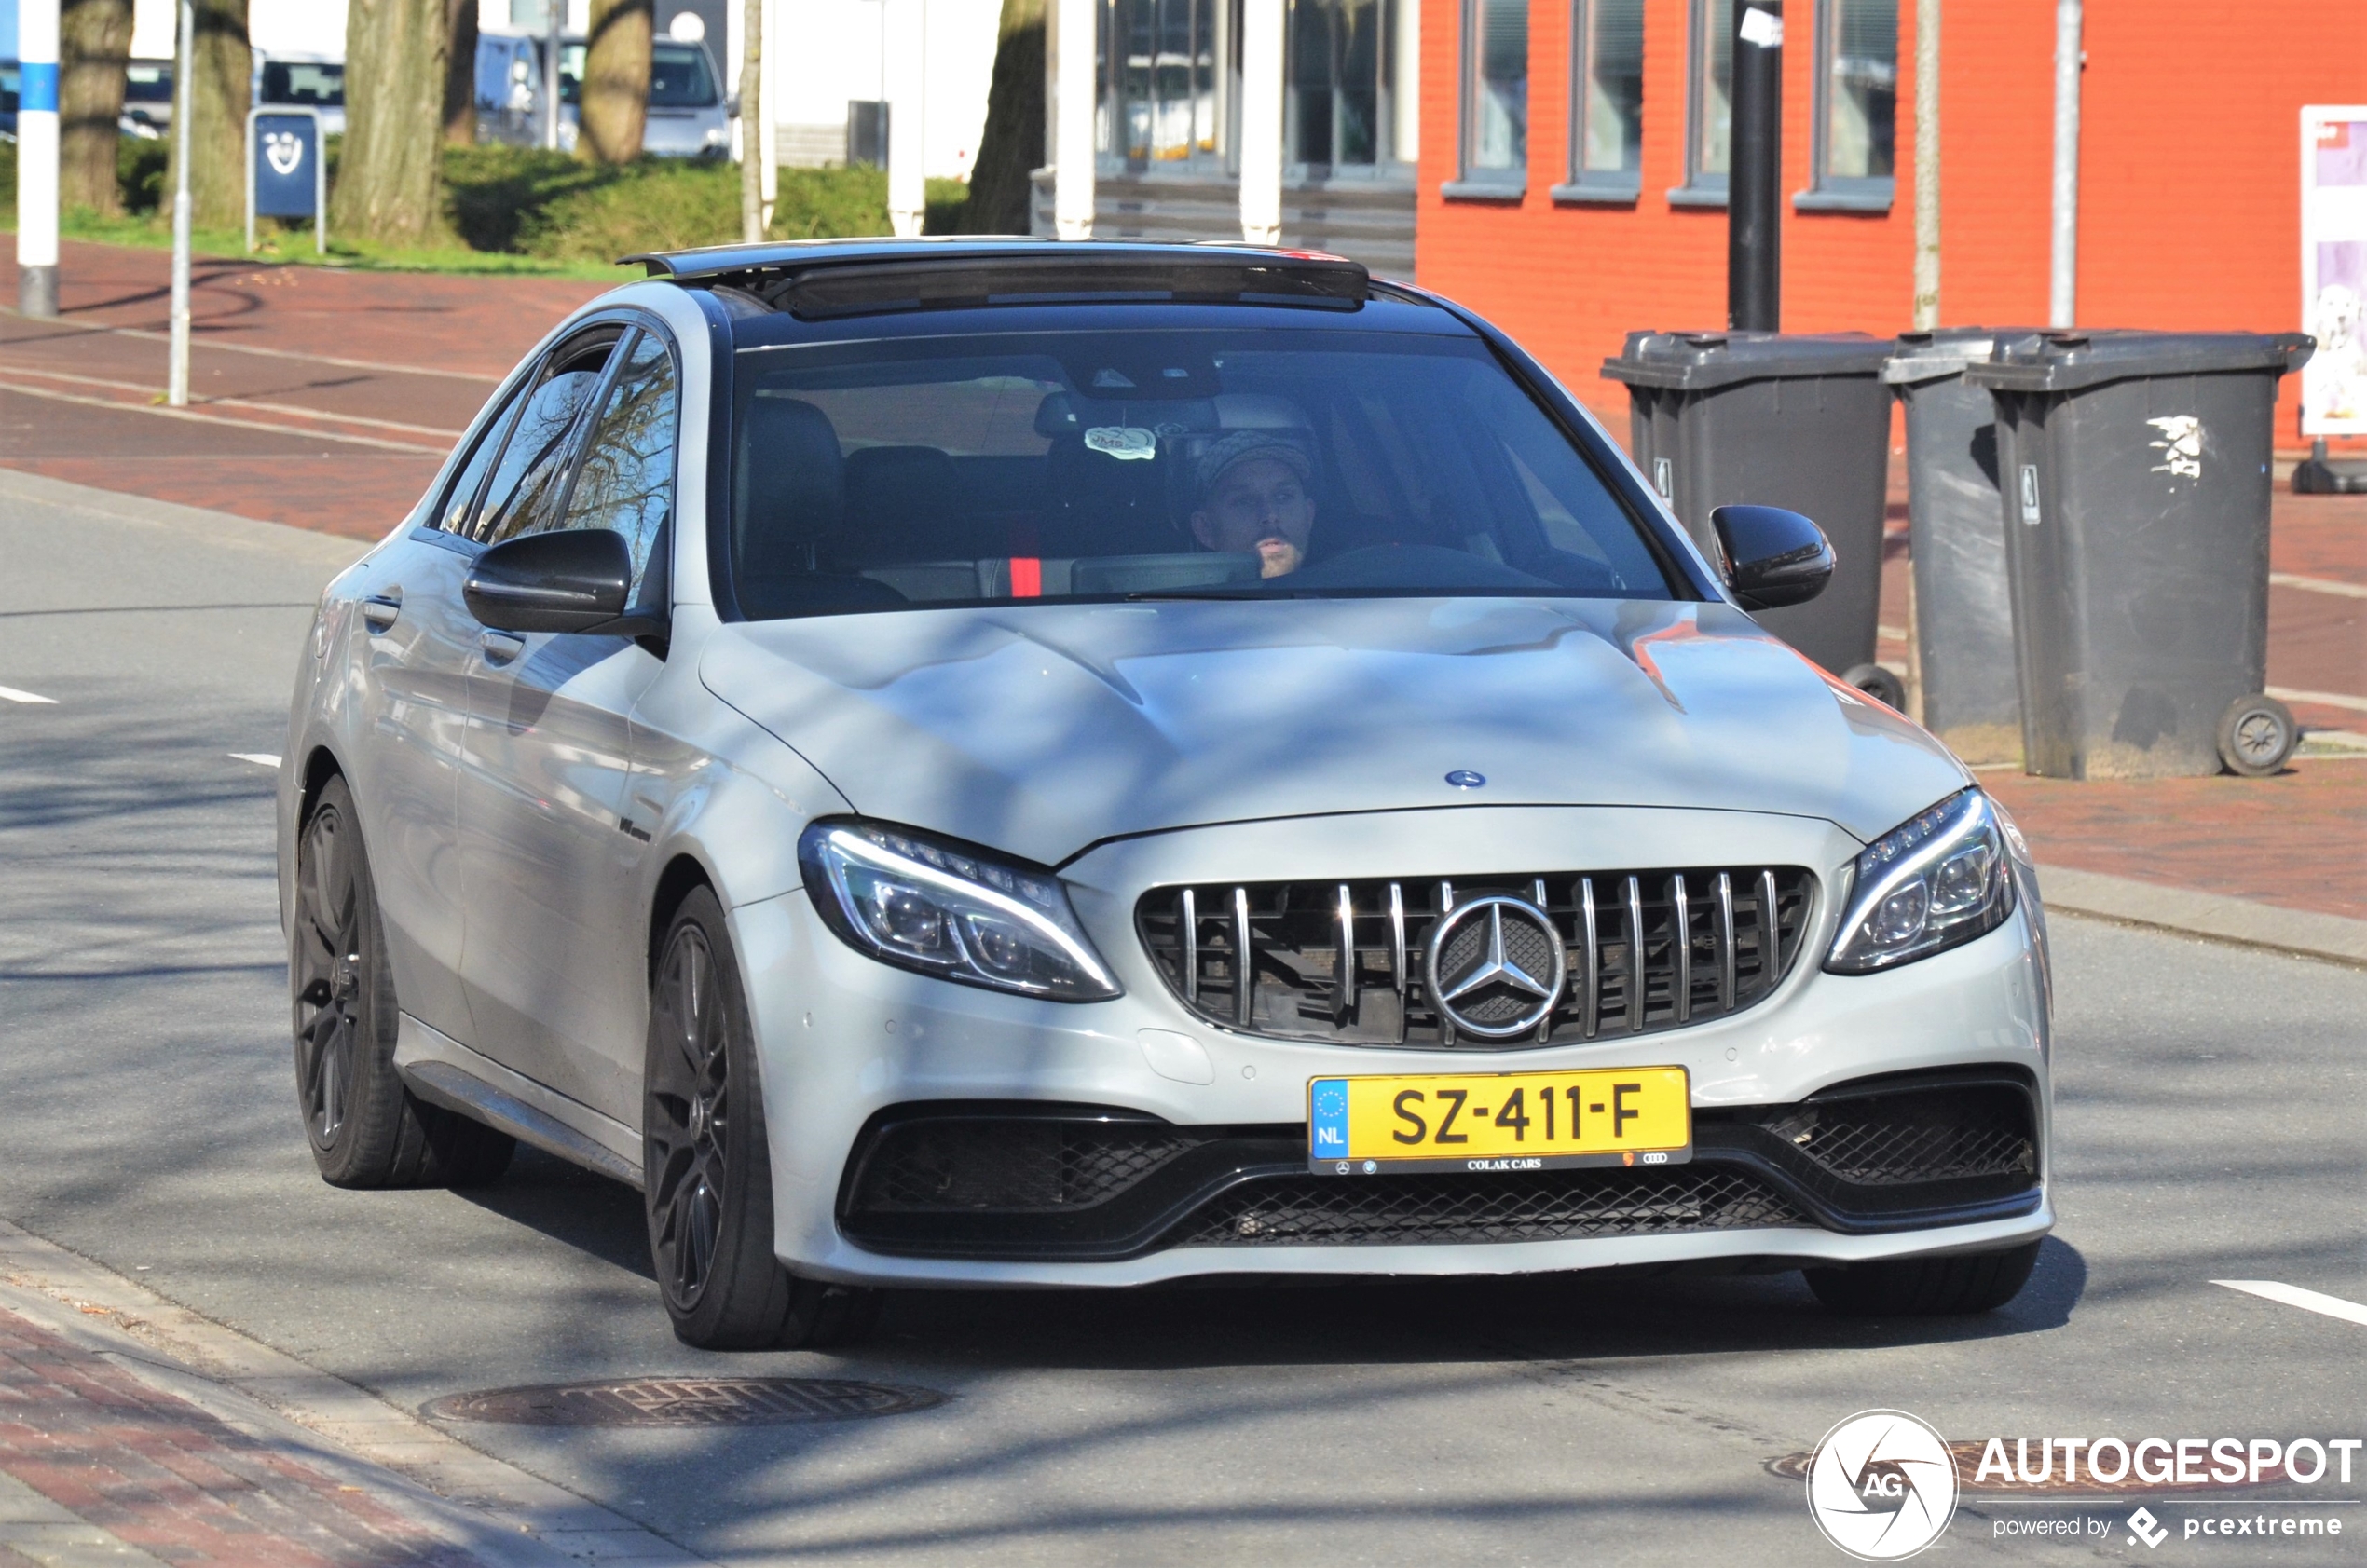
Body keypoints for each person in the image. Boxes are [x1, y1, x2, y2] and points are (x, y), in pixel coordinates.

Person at [1188, 430, 1316, 579]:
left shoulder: (1343, 597)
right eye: (1244, 501)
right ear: (1205, 529)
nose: (1270, 515)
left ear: (1309, 515)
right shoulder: (1180, 601)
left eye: (1283, 497)